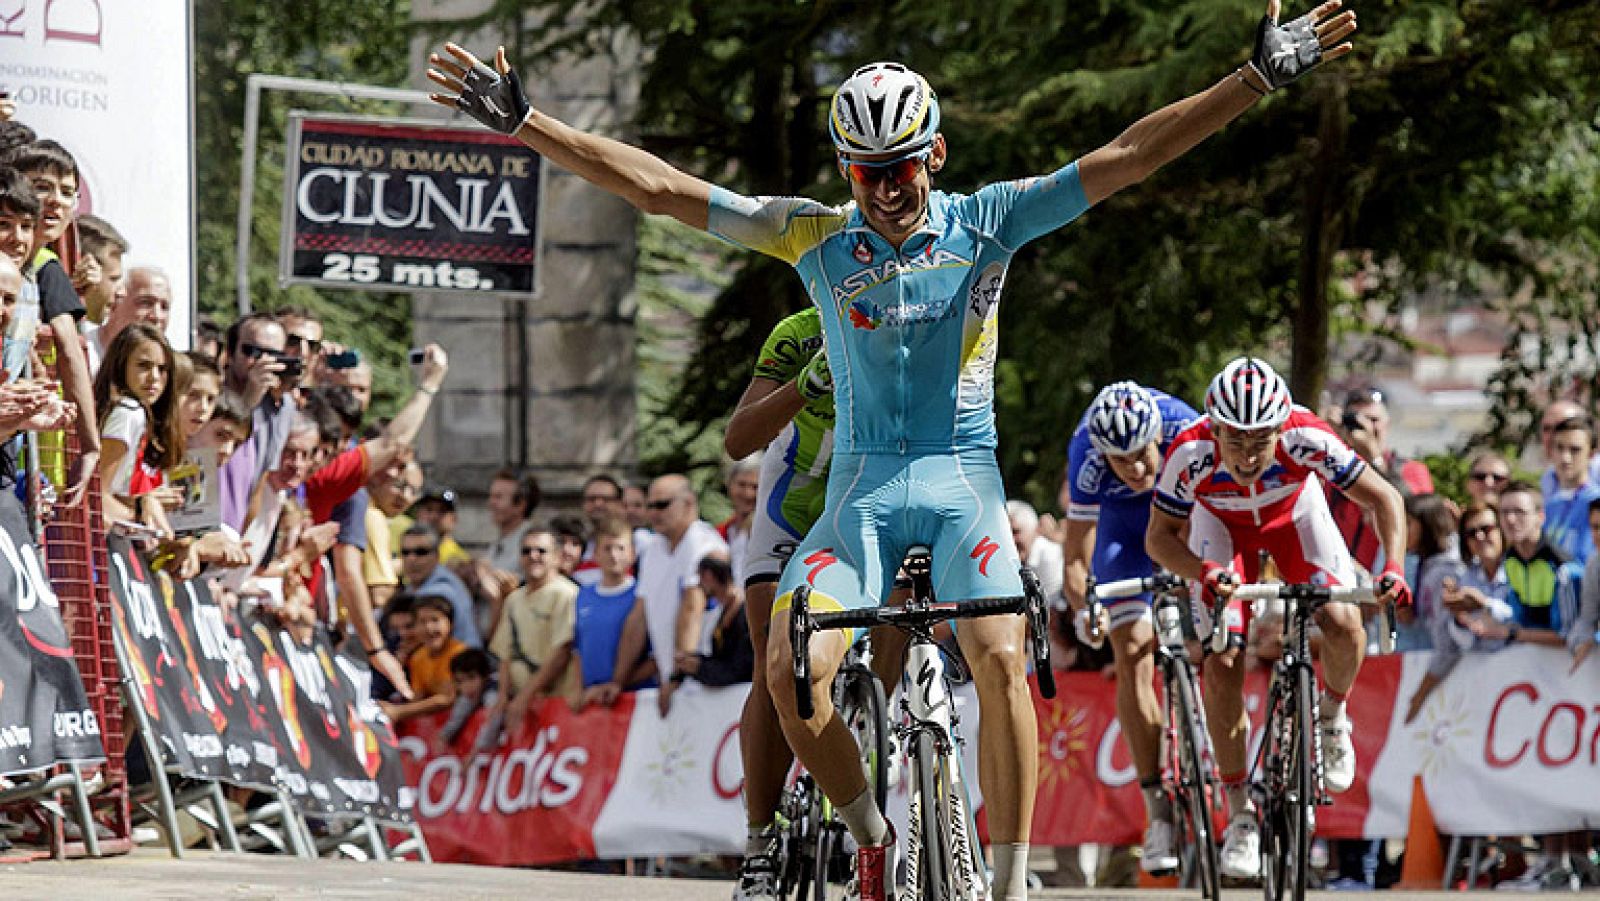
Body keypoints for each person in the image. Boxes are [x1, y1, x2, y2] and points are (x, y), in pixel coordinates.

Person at [429, 9, 1358, 895]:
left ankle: (1007, 881)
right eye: (867, 171)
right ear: (846, 167)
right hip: (862, 493)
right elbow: (660, 189)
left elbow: (1128, 157)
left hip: (965, 482)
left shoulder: (988, 220)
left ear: (935, 156)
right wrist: (529, 124)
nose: (885, 188)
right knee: (792, 670)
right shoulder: (816, 236)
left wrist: (1252, 78)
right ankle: (871, 835)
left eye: (902, 168)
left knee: (997, 653)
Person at [1145, 357, 1406, 881]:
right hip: (1219, 531)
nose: (1245, 454)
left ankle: (1331, 717)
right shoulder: (1190, 452)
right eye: (1234, 439)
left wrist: (1393, 567)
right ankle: (1241, 810)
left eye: (1259, 440)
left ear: (1280, 427)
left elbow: (1385, 497)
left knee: (1343, 621)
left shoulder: (1307, 436)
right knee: (1222, 660)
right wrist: (1204, 571)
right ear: (1213, 427)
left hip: (1295, 518)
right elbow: (1158, 538)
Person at [1059, 381, 1199, 873]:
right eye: (1122, 461)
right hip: (1124, 534)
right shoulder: (1086, 451)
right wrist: (1086, 607)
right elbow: (1075, 558)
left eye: (1142, 453)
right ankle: (1157, 805)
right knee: (1132, 651)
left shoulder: (1184, 425)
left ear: (1157, 433)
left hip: (1182, 521)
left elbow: (1220, 509)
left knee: (1214, 630)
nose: (1137, 468)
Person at [11, 142, 98, 507]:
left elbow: (70, 346)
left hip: (24, 454)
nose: (56, 201)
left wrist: (89, 445)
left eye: (67, 192)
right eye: (42, 187)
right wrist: (91, 443)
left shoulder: (44, 267)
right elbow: (66, 346)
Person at [612, 474, 727, 717]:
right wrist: (618, 681)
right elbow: (638, 619)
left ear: (688, 503)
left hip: (706, 683)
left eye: (662, 505)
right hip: (674, 683)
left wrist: (678, 676)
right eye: (650, 505)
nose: (654, 512)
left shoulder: (702, 542)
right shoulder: (654, 549)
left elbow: (692, 608)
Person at [491, 526, 580, 737]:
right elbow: (505, 653)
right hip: (519, 708)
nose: (533, 556)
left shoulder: (566, 594)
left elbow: (562, 652)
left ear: (558, 557)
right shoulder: (513, 599)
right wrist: (503, 697)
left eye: (541, 551)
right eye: (526, 551)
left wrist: (524, 697)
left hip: (556, 704)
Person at [94, 323, 183, 529]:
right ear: (120, 365)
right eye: (143, 365)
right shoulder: (128, 412)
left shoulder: (140, 414)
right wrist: (142, 515)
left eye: (162, 369)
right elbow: (97, 494)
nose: (154, 377)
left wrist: (147, 501)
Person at [573, 517, 653, 706]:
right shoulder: (583, 595)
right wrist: (578, 689)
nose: (614, 555)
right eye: (607, 548)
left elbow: (656, 658)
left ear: (633, 554)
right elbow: (577, 650)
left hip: (634, 700)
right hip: (591, 701)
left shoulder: (643, 596)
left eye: (620, 548)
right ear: (596, 554)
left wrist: (615, 684)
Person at [383, 595, 466, 723]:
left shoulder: (459, 653)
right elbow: (417, 697)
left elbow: (447, 698)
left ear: (451, 623)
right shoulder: (418, 657)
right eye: (422, 622)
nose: (428, 628)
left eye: (435, 620)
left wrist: (398, 712)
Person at [398, 524, 482, 648]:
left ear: (436, 556)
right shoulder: (416, 585)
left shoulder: (441, 591)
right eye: (405, 552)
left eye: (421, 552)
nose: (411, 558)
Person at [677, 554, 754, 686]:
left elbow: (740, 668)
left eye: (700, 577)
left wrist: (700, 668)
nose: (699, 584)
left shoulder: (746, 614)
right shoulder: (723, 612)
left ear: (709, 576)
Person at [1540, 416, 1600, 564]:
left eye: (1575, 450)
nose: (1565, 458)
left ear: (1591, 454)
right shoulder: (1550, 504)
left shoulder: (1595, 501)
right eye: (1559, 448)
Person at [433, 647, 501, 755]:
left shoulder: (494, 693)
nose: (467, 686)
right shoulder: (467, 697)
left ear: (485, 676)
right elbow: (457, 717)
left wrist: (474, 753)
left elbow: (494, 719)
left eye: (471, 678)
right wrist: (443, 737)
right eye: (460, 681)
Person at [573, 473, 625, 585]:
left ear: (619, 504)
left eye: (606, 499)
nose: (598, 504)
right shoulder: (576, 546)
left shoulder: (637, 544)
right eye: (592, 499)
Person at [484, 469, 540, 574]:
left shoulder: (531, 544)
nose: (491, 503)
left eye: (498, 497)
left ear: (520, 505)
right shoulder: (499, 543)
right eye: (491, 496)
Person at [718, 455, 761, 587]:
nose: (748, 494)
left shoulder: (766, 530)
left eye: (755, 487)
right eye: (741, 485)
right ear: (729, 484)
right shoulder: (721, 532)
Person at [1008, 500, 1063, 602]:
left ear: (1035, 530)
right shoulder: (1010, 560)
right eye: (1007, 534)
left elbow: (1052, 609)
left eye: (1016, 532)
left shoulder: (1050, 556)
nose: (1011, 540)